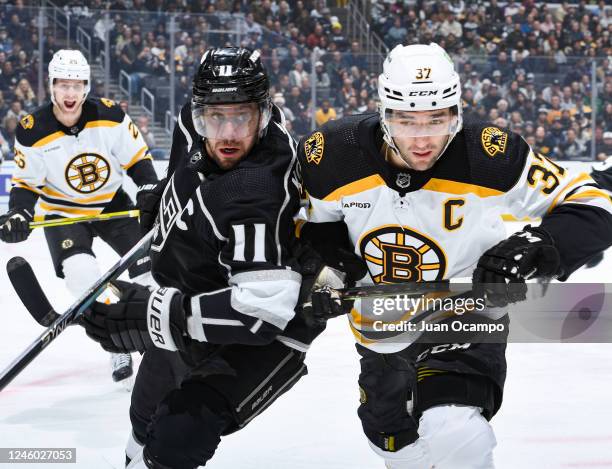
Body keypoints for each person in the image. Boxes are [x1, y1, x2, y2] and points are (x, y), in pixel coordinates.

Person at [297, 43, 612, 468]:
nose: (423, 138)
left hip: (467, 315)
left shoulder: (490, 154)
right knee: (393, 443)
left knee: (456, 433)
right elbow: (305, 226)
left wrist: (537, 247)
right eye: (407, 121)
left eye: (437, 119)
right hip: (380, 326)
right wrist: (325, 271)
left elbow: (592, 200)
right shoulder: (332, 156)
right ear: (385, 112)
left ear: (456, 113)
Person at [79, 47, 333, 469]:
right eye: (215, 118)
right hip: (193, 295)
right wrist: (162, 198)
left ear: (264, 114)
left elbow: (259, 315)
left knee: (177, 438)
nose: (228, 133)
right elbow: (187, 167)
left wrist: (155, 313)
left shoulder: (256, 189)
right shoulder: (192, 121)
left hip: (263, 332)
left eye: (242, 118)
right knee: (143, 419)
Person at [0, 49, 158, 384]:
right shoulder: (31, 130)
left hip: (112, 205)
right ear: (51, 86)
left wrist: (147, 189)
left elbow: (137, 160)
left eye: (76, 85)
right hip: (63, 212)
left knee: (151, 270)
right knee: (84, 277)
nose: (70, 93)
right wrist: (19, 212)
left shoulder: (111, 116)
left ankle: (158, 340)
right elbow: (26, 184)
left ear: (86, 86)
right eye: (62, 85)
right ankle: (118, 342)